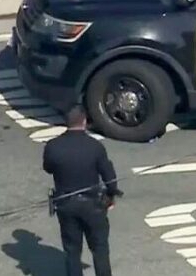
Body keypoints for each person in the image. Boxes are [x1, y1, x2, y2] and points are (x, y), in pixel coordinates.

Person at [42, 106, 122, 276]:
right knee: (100, 249)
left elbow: (48, 168)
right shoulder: (95, 146)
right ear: (84, 121)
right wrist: (111, 195)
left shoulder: (53, 146)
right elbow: (109, 176)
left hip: (66, 203)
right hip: (93, 205)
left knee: (72, 250)